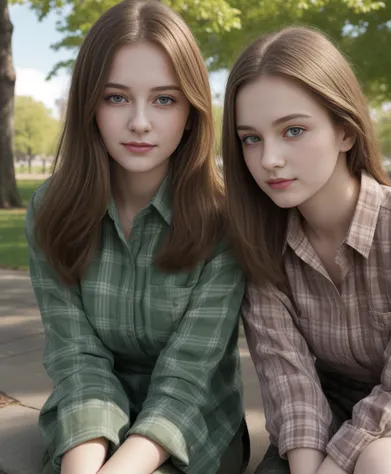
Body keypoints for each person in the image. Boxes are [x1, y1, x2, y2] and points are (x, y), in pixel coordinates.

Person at [221, 26, 391, 474]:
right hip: (328, 409)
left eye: (293, 130)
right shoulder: (259, 242)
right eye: (251, 138)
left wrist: (334, 467)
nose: (269, 159)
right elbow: (291, 383)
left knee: (382, 463)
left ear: (345, 131)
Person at [25, 1, 249, 473]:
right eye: (116, 97)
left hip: (194, 425)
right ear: (89, 105)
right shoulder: (51, 210)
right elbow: (76, 357)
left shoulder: (224, 218)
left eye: (164, 99)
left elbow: (187, 379)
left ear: (191, 110)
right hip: (88, 421)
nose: (140, 122)